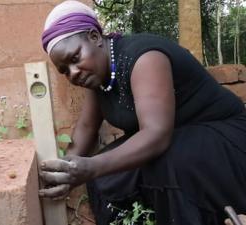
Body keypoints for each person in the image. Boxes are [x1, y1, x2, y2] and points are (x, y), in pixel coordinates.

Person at [38, 1, 246, 225]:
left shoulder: (143, 57)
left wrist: (90, 167)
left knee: (166, 163)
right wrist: (66, 172)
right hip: (181, 139)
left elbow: (156, 135)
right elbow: (86, 128)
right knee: (106, 178)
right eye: (64, 71)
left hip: (227, 139)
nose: (73, 73)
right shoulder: (97, 78)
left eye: (75, 58)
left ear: (95, 37)